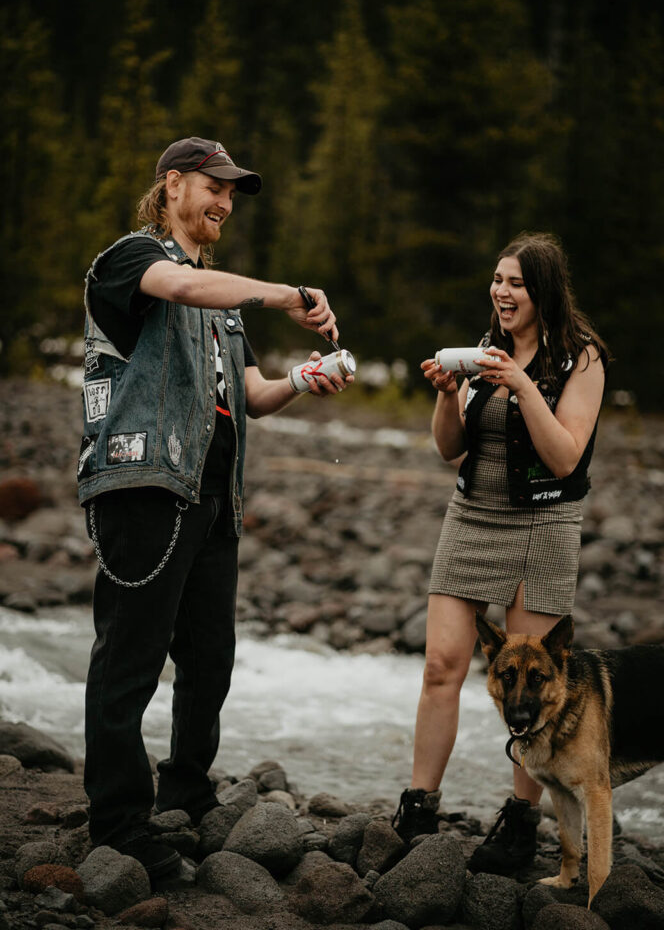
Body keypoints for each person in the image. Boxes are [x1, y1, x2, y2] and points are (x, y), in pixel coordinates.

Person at [77, 136, 353, 879]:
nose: (225, 203)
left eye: (232, 193)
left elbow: (253, 397)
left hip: (211, 500)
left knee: (210, 661)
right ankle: (118, 824)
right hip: (143, 486)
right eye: (212, 187)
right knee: (128, 659)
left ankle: (186, 793)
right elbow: (188, 288)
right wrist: (288, 295)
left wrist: (302, 375)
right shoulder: (132, 259)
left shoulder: (224, 304)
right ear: (171, 186)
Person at [392, 231, 609, 874]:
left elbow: (566, 455)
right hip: (473, 516)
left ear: (542, 291)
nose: (501, 292)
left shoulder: (583, 360)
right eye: (496, 280)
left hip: (545, 523)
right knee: (441, 666)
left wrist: (522, 384)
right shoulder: (482, 351)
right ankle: (419, 805)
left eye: (514, 282)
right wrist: (443, 390)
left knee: (528, 682)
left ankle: (519, 827)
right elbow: (450, 448)